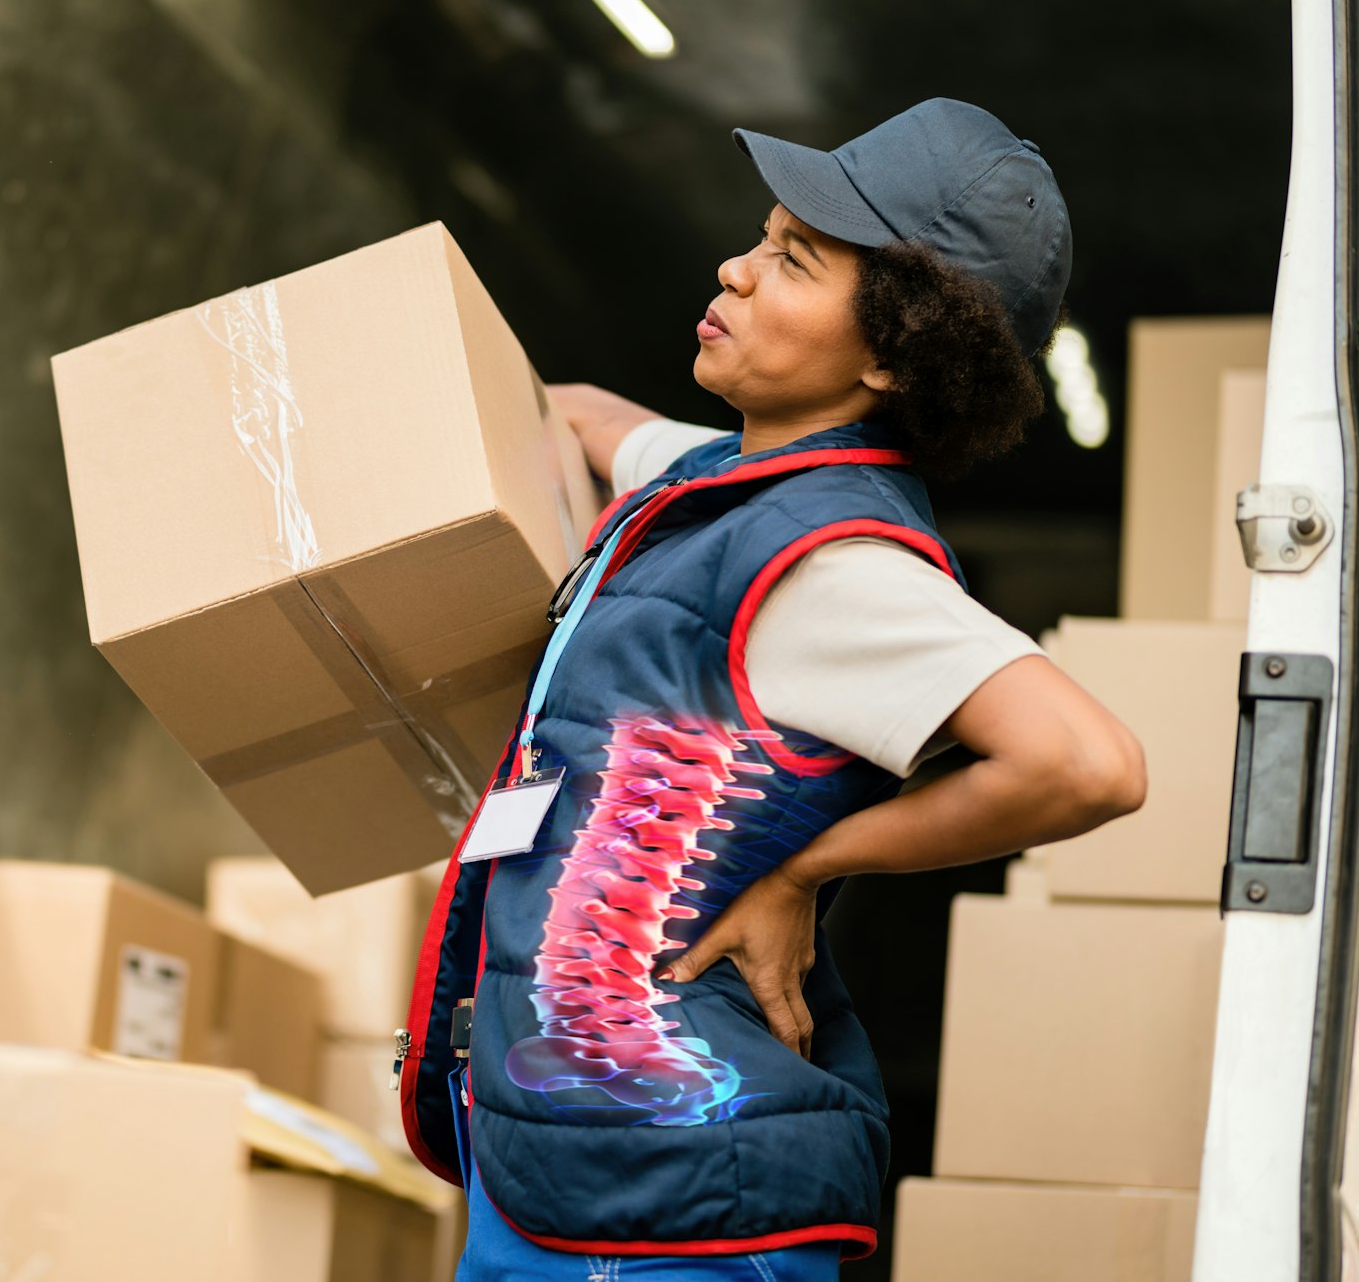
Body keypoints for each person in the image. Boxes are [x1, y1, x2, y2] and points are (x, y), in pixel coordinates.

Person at [397, 99, 1147, 1281]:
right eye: (760, 237)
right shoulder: (721, 483)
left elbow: (1085, 763)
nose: (733, 270)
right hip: (577, 1157)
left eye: (790, 260)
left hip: (671, 1197)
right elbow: (587, 419)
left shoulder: (835, 567)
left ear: (894, 350)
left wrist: (810, 865)